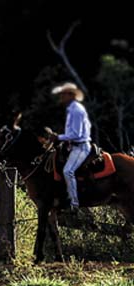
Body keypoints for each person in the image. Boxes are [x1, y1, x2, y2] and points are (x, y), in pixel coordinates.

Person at [49, 82, 92, 212]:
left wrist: (58, 137)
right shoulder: (72, 109)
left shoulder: (77, 110)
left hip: (81, 147)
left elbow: (76, 134)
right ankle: (62, 197)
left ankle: (74, 204)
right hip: (74, 146)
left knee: (68, 171)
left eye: (63, 94)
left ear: (71, 95)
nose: (61, 97)